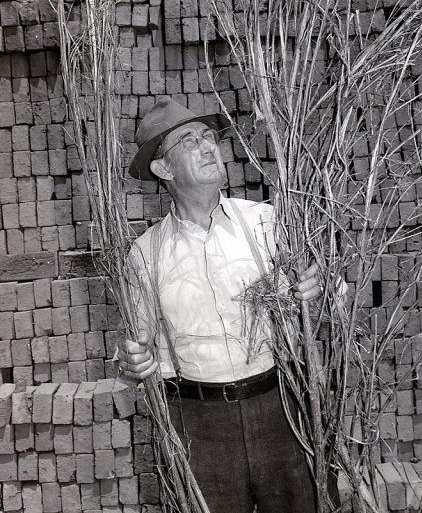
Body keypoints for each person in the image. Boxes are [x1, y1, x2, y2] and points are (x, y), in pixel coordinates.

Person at [117, 98, 323, 512]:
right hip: (199, 424)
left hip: (279, 408)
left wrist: (316, 287)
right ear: (164, 169)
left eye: (209, 137)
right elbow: (137, 349)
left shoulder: (265, 222)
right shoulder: (145, 255)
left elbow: (322, 296)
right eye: (190, 141)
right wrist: (131, 361)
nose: (209, 146)